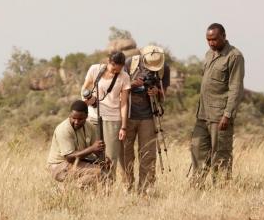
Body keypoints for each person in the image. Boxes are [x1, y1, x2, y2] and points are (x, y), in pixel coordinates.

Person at [190, 23, 245, 188]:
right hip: (203, 114)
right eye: (208, 40)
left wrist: (227, 114)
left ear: (223, 36)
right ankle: (196, 188)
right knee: (197, 150)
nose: (211, 43)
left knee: (221, 154)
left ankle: (221, 190)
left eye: (214, 39)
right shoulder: (208, 54)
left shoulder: (234, 56)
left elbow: (236, 88)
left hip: (220, 116)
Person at [123, 45, 171, 193]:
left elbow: (164, 95)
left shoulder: (164, 68)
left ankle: (146, 188)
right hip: (128, 115)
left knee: (148, 153)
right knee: (126, 153)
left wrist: (156, 92)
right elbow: (119, 88)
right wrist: (131, 85)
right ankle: (127, 186)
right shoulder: (130, 63)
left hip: (149, 116)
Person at [81, 51, 131, 182]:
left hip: (113, 119)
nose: (116, 72)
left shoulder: (124, 77)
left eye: (119, 70)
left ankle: (108, 188)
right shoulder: (94, 69)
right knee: (92, 154)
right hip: (93, 116)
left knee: (110, 157)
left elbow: (124, 103)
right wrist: (87, 100)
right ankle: (92, 184)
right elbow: (84, 89)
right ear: (109, 62)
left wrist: (123, 127)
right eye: (114, 68)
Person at [47, 100, 106, 189]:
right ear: (69, 115)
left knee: (104, 169)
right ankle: (69, 190)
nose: (76, 122)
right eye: (73, 118)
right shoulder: (63, 129)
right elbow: (69, 158)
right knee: (98, 172)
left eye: (80, 119)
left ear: (86, 116)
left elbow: (96, 149)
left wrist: (104, 159)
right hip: (59, 166)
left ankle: (73, 191)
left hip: (77, 162)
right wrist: (92, 149)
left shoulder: (90, 127)